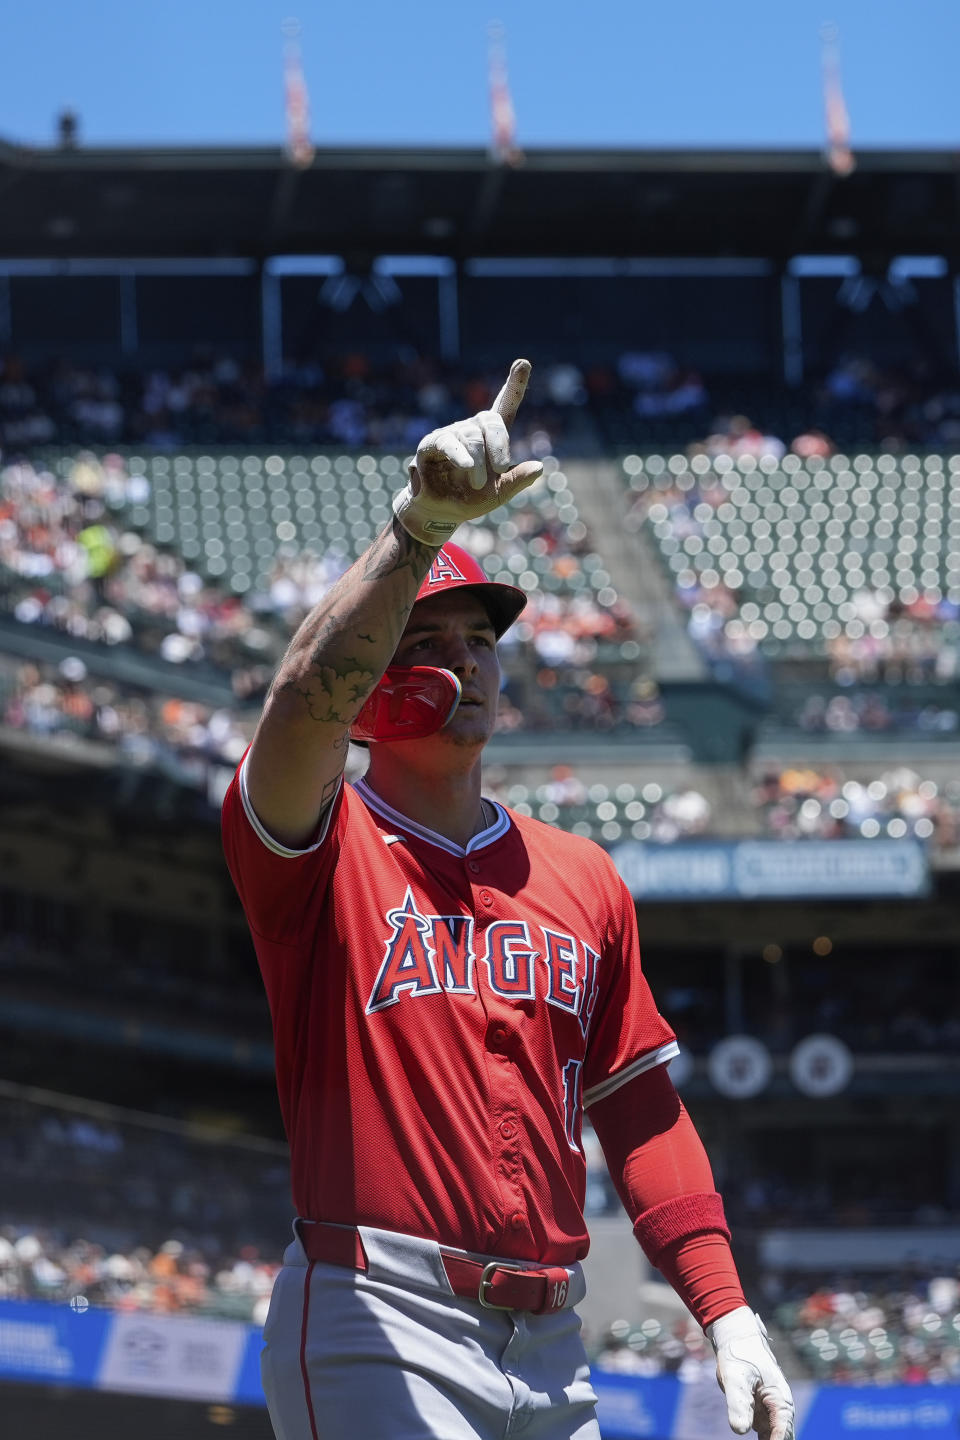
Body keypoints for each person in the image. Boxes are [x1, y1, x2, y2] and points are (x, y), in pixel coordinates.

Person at [221, 359, 795, 1440]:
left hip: (553, 1343)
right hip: (375, 1308)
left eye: (481, 641)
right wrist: (418, 531)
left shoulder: (581, 876)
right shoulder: (317, 841)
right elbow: (301, 704)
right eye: (430, 641)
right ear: (376, 664)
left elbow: (637, 1111)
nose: (467, 663)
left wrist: (727, 1315)